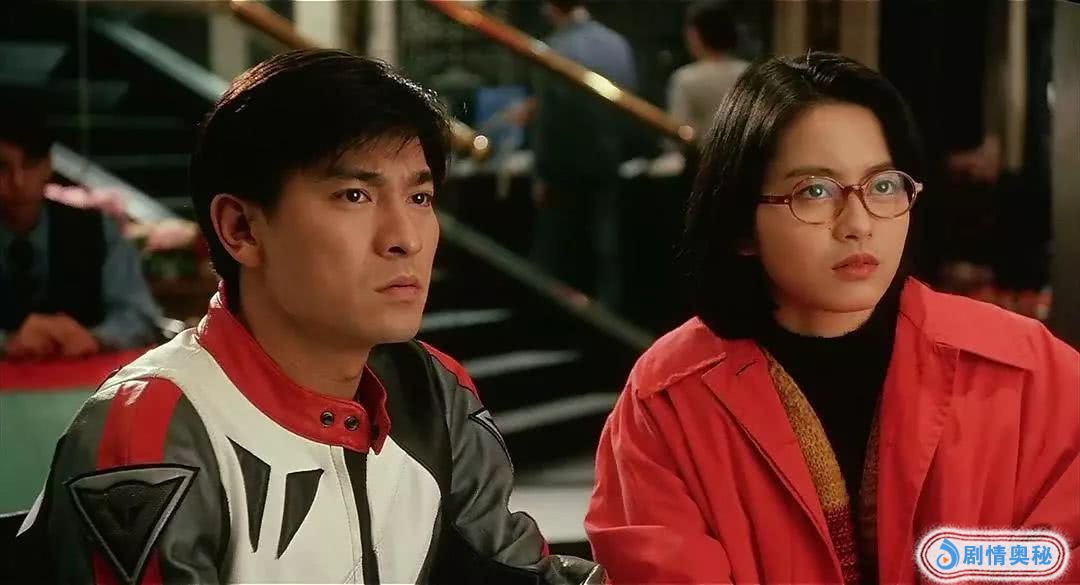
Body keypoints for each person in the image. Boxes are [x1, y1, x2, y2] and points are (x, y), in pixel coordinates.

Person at [14, 50, 602, 585]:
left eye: (419, 197)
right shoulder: (152, 432)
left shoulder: (431, 392)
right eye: (355, 195)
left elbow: (515, 573)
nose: (405, 238)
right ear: (241, 229)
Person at [585, 53, 1079, 584]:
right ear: (741, 225)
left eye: (883, 185)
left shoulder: (1027, 369)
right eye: (815, 192)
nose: (859, 224)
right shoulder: (667, 400)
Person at [0, 99, 162, 359]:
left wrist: (96, 338)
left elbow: (140, 315)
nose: (18, 182)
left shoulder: (97, 228)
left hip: (88, 376)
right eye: (2, 167)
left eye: (30, 164)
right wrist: (7, 341)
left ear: (48, 165)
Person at [511, 0, 637, 307]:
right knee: (605, 250)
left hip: (562, 167)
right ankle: (608, 319)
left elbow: (550, 120)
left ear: (550, 8)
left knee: (556, 254)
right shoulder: (617, 44)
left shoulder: (552, 49)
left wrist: (540, 172)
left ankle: (552, 318)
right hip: (608, 160)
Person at [667, 0, 749, 144]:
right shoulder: (749, 72)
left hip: (701, 155)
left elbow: (677, 133)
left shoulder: (686, 79)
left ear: (695, 35)